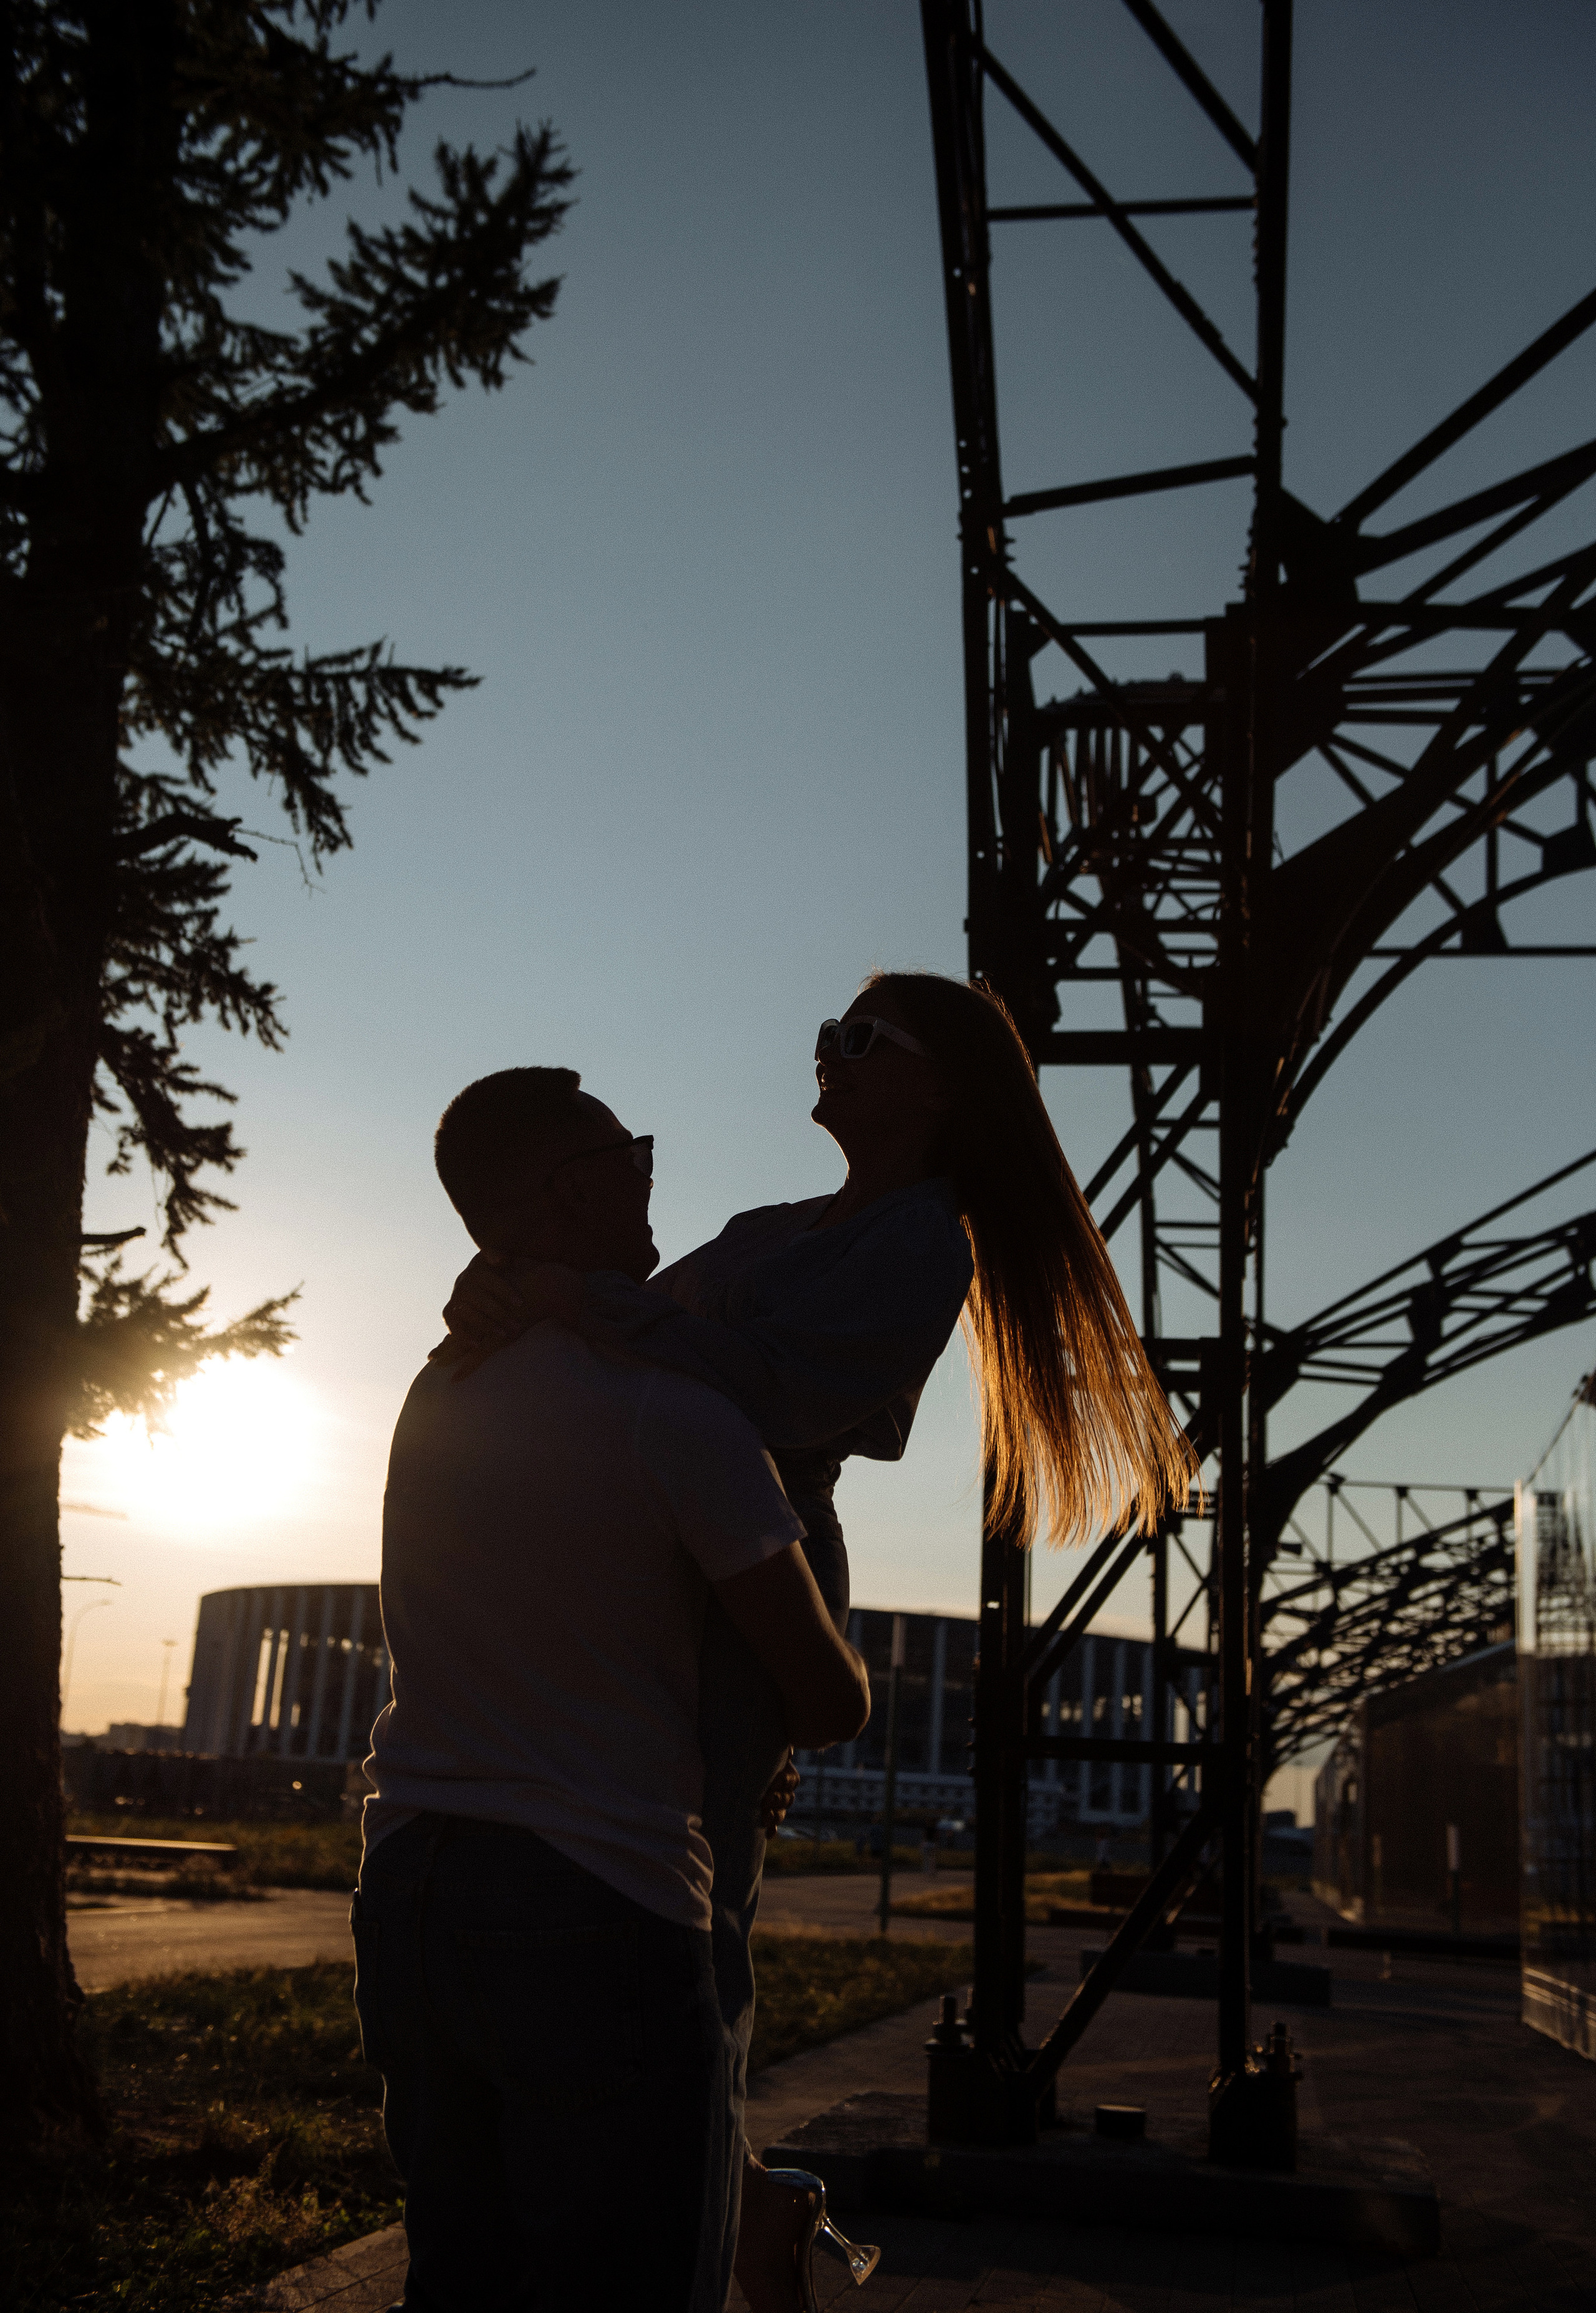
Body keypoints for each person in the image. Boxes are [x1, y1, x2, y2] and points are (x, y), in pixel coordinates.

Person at [440, 972, 1193, 2309]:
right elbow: (621, 1315)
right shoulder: (772, 1226)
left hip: (753, 1563)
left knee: (693, 1914)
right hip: (665, 1554)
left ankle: (715, 2222)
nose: (826, 1052)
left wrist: (565, 1299)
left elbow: (777, 1394)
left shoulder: (923, 1243)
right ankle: (745, 2207)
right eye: (826, 1032)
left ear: (938, 1085)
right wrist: (504, 1289)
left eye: (860, 1037)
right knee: (654, 1898)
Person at [355, 1066, 870, 2313]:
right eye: (632, 1157)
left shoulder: (439, 1389)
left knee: (459, 2282)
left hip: (411, 1883)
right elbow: (824, 1699)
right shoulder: (673, 1412)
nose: (650, 1181)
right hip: (596, 1895)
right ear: (571, 1188)